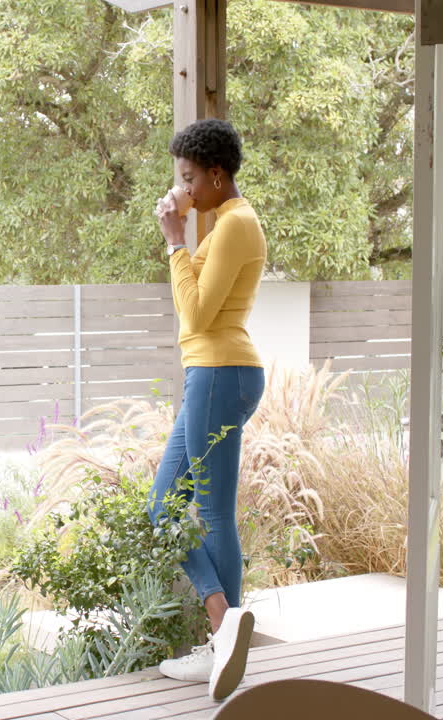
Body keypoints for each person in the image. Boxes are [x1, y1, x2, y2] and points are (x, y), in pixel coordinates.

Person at [149, 118, 267, 701]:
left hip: (221, 373)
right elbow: (197, 300)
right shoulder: (223, 224)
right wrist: (183, 240)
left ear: (217, 176)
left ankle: (223, 635)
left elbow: (193, 316)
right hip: (213, 373)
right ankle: (224, 623)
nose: (184, 189)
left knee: (213, 512)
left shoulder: (236, 225)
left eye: (191, 179)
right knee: (161, 504)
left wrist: (175, 240)